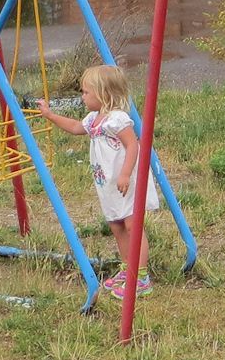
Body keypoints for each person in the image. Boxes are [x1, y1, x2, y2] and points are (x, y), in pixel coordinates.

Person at [37, 64, 158, 299]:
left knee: (132, 226)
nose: (82, 96)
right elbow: (75, 127)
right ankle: (128, 268)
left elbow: (133, 145)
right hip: (108, 184)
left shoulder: (117, 119)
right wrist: (50, 115)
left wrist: (125, 174)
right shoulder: (94, 118)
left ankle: (141, 277)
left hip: (127, 181)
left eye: (86, 92)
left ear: (104, 94)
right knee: (116, 226)